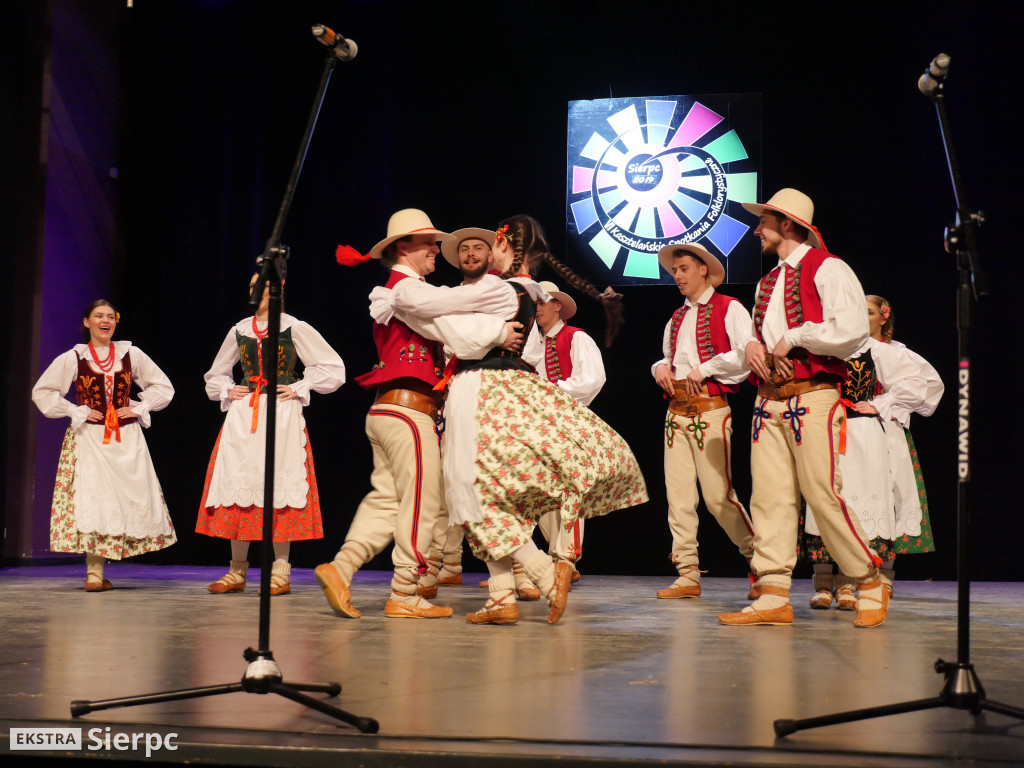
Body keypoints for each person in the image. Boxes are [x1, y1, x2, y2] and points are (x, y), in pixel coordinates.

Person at [367, 214, 648, 625]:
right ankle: (501, 595)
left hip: (480, 387)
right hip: (498, 386)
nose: (479, 253)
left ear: (504, 248)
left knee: (469, 490)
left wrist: (398, 303)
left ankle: (541, 574)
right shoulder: (524, 290)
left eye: (491, 245)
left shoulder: (501, 289)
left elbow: (450, 325)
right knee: (485, 492)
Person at [718, 188, 887, 628]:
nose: (757, 229)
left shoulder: (828, 268)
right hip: (768, 400)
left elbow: (850, 331)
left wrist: (795, 338)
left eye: (765, 221)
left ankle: (868, 577)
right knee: (770, 499)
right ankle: (773, 591)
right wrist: (751, 345)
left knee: (822, 493)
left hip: (812, 395)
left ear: (787, 224)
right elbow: (761, 338)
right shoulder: (766, 282)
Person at [315, 209, 456, 620]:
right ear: (403, 247)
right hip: (410, 411)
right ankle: (405, 591)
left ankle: (341, 569)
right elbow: (452, 318)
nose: (436, 248)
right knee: (422, 501)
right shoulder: (407, 289)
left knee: (387, 500)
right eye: (428, 242)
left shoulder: (402, 290)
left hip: (388, 409)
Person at [197, 274, 345, 596]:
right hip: (244, 414)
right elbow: (215, 373)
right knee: (241, 485)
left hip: (281, 414)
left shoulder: (295, 327)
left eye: (266, 286)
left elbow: (333, 368)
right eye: (253, 286)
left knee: (280, 484)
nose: (259, 291)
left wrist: (298, 386)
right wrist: (226, 388)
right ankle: (237, 571)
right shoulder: (240, 329)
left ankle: (280, 570)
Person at [800, 295, 943, 608]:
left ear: (883, 317)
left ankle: (867, 579)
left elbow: (927, 384)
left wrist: (883, 404)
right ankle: (827, 581)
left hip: (874, 432)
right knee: (831, 496)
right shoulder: (837, 347)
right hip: (837, 429)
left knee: (876, 498)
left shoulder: (886, 352)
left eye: (867, 311)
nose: (860, 316)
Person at [32, 300, 176, 591]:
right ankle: (94, 571)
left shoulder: (130, 353)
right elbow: (43, 391)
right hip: (91, 438)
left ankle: (101, 568)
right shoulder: (74, 357)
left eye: (110, 316)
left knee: (126, 498)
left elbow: (163, 387)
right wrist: (76, 410)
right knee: (92, 497)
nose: (105, 320)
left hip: (126, 438)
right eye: (98, 316)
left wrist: (139, 407)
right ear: (87, 322)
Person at [650, 243, 757, 601]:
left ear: (703, 270)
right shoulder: (676, 317)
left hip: (711, 410)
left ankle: (759, 561)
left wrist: (706, 368)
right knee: (678, 497)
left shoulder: (730, 308)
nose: (677, 275)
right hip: (675, 412)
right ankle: (687, 572)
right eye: (674, 271)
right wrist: (659, 367)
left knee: (717, 497)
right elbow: (667, 357)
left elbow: (746, 353)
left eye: (683, 269)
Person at [527, 279, 607, 581]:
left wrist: (551, 392)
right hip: (541, 427)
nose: (536, 309)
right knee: (543, 495)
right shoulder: (533, 343)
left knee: (569, 493)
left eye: (541, 302)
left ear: (557, 305)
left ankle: (565, 560)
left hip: (569, 424)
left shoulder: (576, 338)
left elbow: (592, 380)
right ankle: (556, 558)